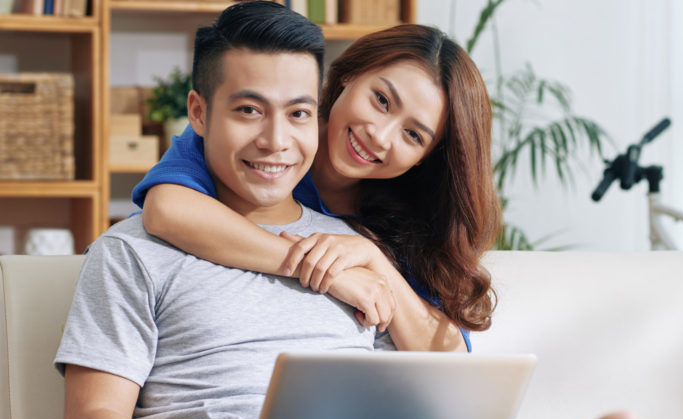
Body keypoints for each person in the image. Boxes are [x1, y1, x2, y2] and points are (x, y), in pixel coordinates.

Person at [57, 2, 683, 419]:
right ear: (199, 114)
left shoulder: (364, 245)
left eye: (297, 114)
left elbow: (441, 381)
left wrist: (376, 269)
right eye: (249, 110)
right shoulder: (141, 244)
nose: (276, 140)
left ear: (317, 107)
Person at [133, 22, 502, 354]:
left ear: (425, 156)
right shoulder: (263, 134)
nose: (380, 135)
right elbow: (167, 209)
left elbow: (449, 359)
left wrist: (375, 262)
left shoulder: (408, 218)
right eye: (382, 101)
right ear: (349, 75)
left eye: (412, 135)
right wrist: (329, 273)